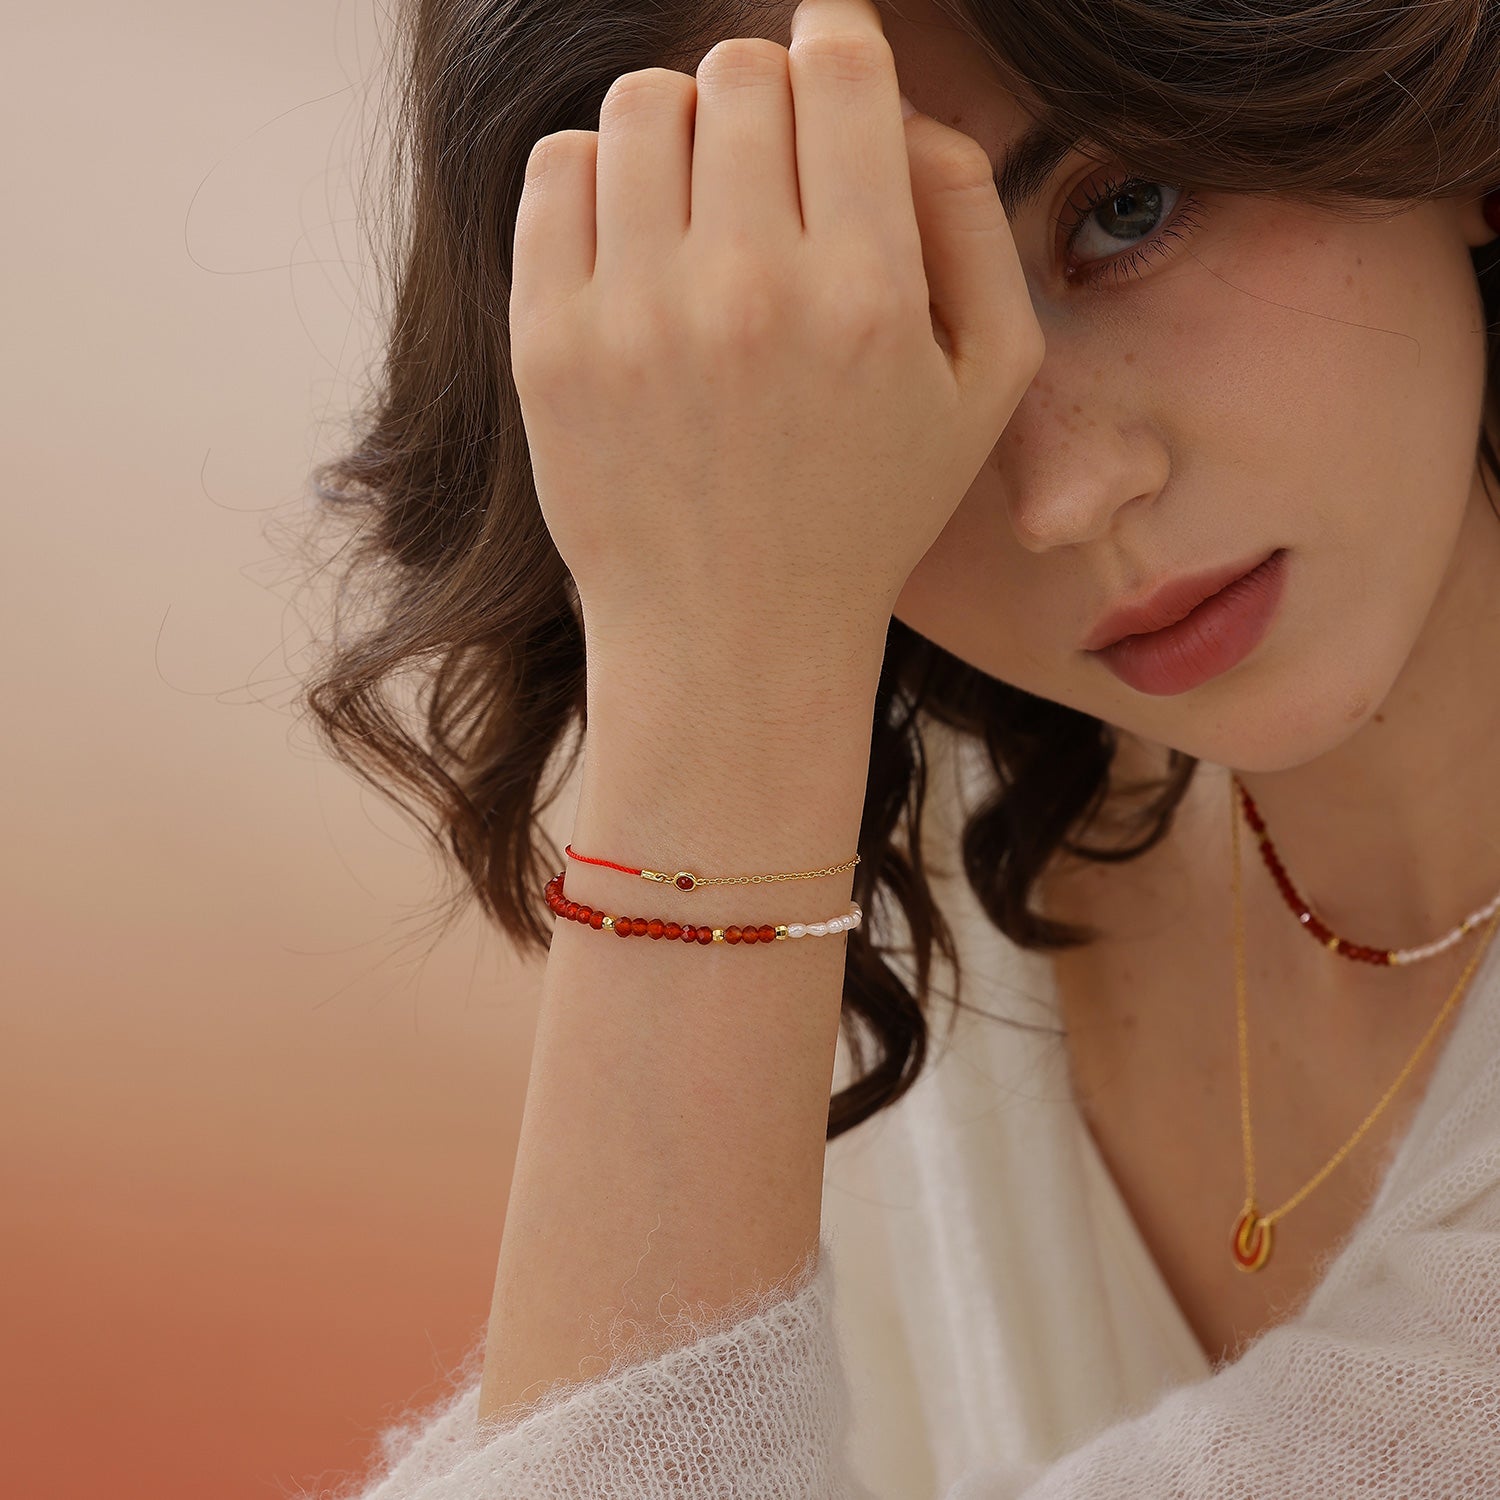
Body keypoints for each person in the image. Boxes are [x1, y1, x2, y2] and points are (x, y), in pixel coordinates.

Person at [295, 0, 1500, 1492]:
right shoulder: (918, 846)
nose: (1066, 494)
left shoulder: (790, 821)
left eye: (1126, 209)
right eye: (871, 344)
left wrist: (721, 690)